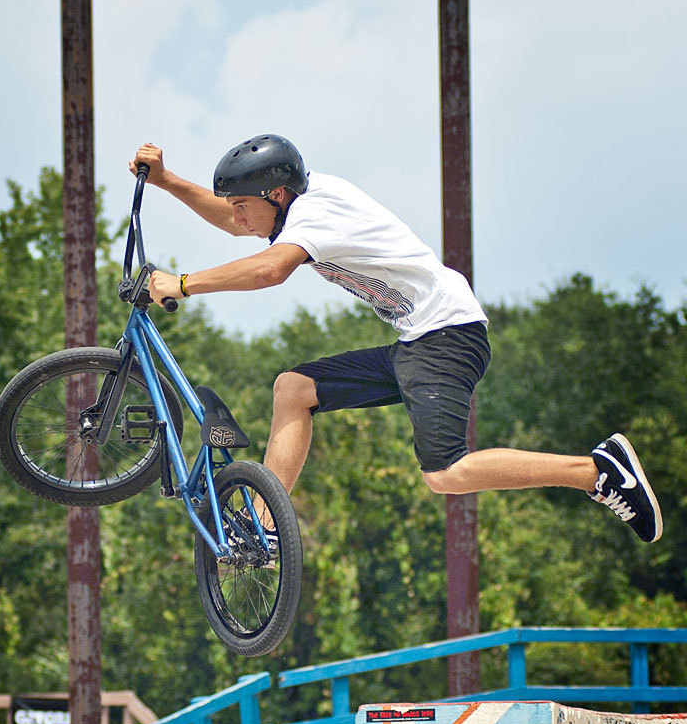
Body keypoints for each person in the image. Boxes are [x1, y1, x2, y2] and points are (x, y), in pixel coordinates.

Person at [130, 135, 662, 544]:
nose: (239, 217)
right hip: (419, 339)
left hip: (447, 335)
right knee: (294, 388)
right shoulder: (297, 199)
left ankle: (596, 471)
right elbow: (239, 223)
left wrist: (182, 284)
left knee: (446, 473)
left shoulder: (318, 211)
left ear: (275, 194)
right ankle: (267, 526)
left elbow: (270, 270)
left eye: (244, 205)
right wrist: (168, 180)